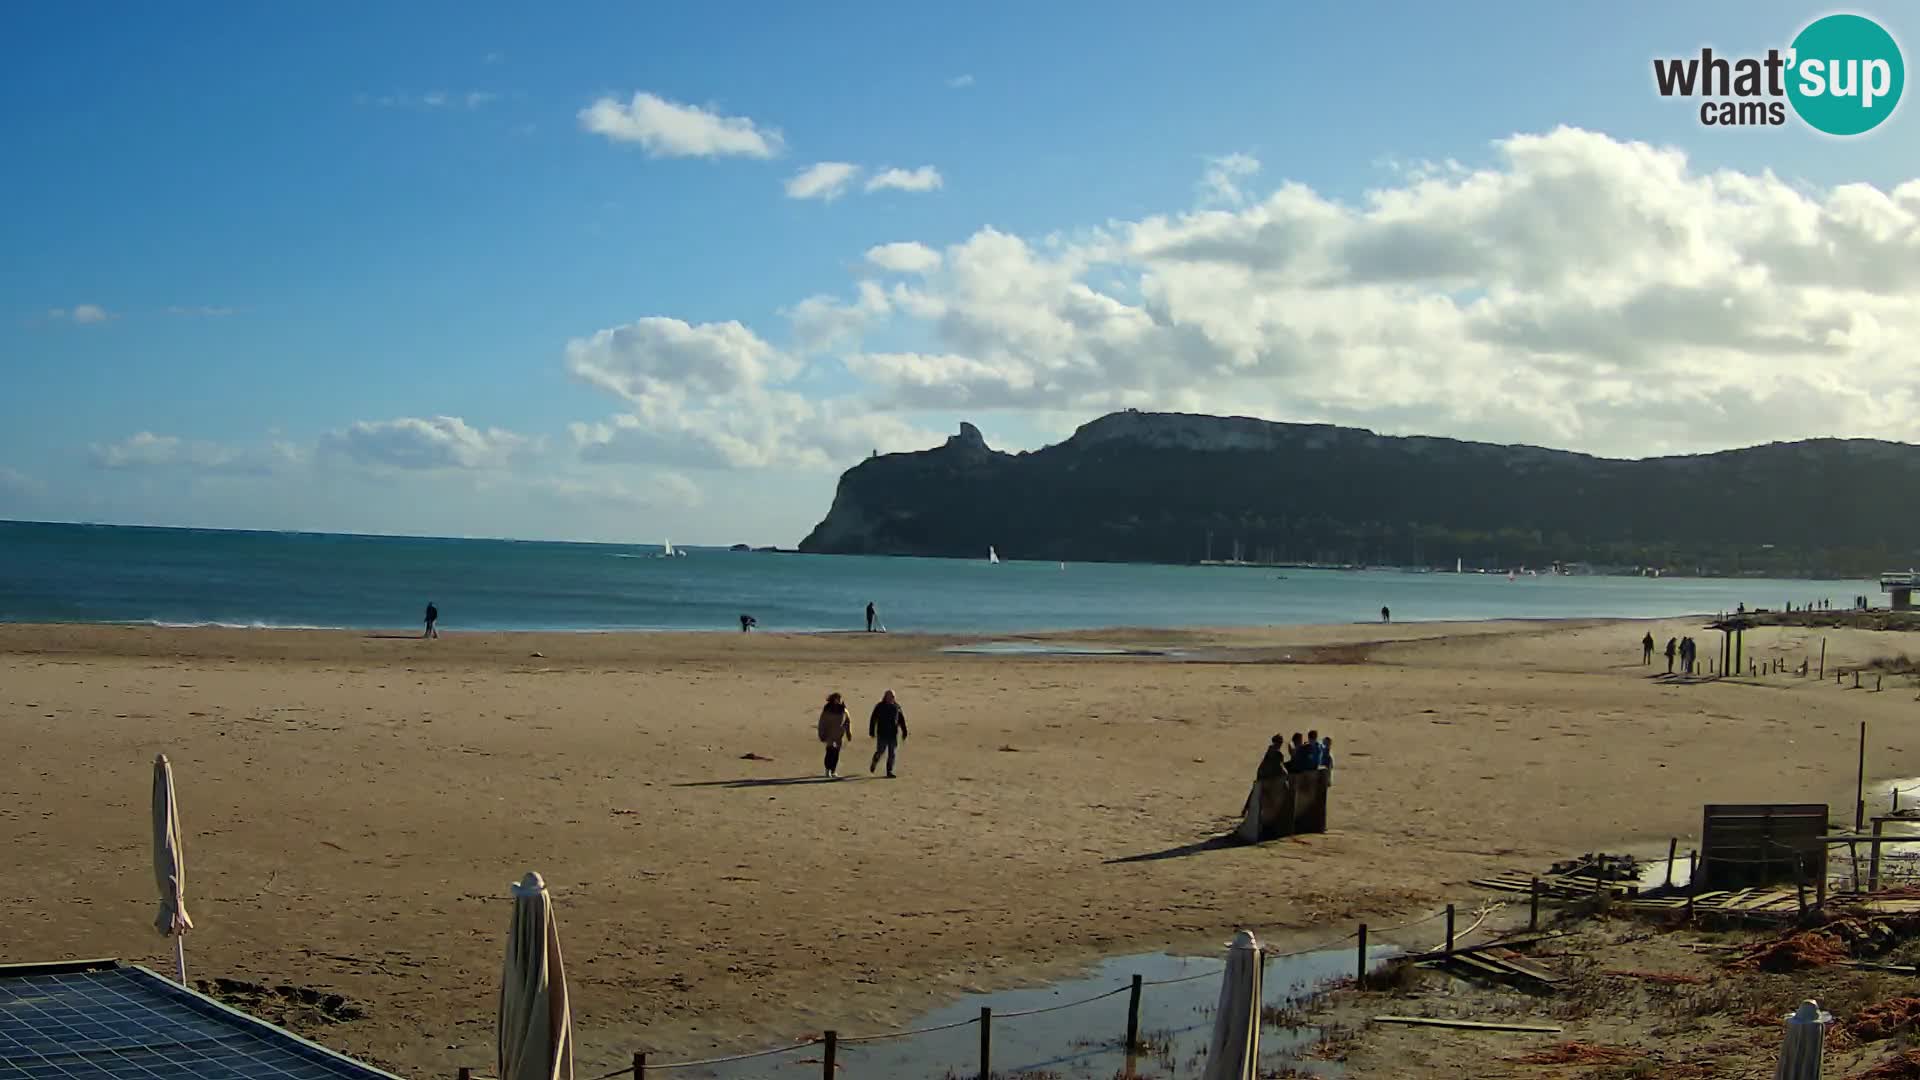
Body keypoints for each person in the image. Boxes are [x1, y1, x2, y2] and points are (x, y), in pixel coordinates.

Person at [869, 690, 908, 777]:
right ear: (885, 697)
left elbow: (901, 720)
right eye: (889, 696)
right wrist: (871, 731)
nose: (891, 698)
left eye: (893, 697)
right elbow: (873, 719)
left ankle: (889, 771)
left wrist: (904, 731)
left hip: (893, 734)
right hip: (882, 733)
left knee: (892, 753)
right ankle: (874, 762)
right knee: (880, 751)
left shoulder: (897, 707)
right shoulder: (879, 706)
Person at [817, 692, 853, 779]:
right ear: (833, 699)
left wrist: (849, 733)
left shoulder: (844, 710)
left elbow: (848, 722)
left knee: (836, 753)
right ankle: (827, 770)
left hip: (839, 735)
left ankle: (833, 771)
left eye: (840, 699)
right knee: (830, 752)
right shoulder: (827, 710)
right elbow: (822, 723)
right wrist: (821, 734)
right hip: (829, 735)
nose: (839, 701)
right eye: (837, 699)